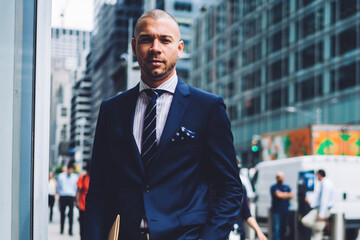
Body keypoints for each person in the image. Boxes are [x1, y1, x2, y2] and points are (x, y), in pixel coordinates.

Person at [85, 9, 242, 240]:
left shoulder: (207, 108)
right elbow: (98, 190)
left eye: (165, 40)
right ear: (133, 46)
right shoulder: (111, 110)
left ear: (179, 48)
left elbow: (230, 189)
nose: (155, 48)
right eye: (146, 39)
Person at [301, 169, 335, 240]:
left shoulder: (325, 183)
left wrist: (321, 214)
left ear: (319, 174)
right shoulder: (326, 183)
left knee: (305, 220)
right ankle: (320, 227)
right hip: (323, 209)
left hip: (322, 210)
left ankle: (322, 225)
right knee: (317, 233)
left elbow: (324, 199)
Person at [270, 172, 294, 240]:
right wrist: (287, 195)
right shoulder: (274, 187)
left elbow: (292, 195)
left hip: (285, 211)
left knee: (284, 229)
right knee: (276, 229)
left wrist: (283, 194)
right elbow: (278, 195)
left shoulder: (287, 187)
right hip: (276, 211)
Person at [57, 162, 78, 235]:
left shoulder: (75, 177)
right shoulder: (61, 176)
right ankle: (62, 229)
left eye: (72, 170)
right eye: (69, 169)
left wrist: (75, 198)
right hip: (63, 196)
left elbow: (76, 188)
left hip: (71, 196)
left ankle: (70, 230)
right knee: (62, 214)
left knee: (71, 214)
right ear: (67, 169)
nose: (70, 171)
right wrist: (59, 193)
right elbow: (58, 186)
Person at [76, 162, 91, 240]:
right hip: (82, 206)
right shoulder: (83, 177)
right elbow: (78, 190)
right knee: (82, 225)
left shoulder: (95, 178)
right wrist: (77, 201)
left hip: (91, 208)